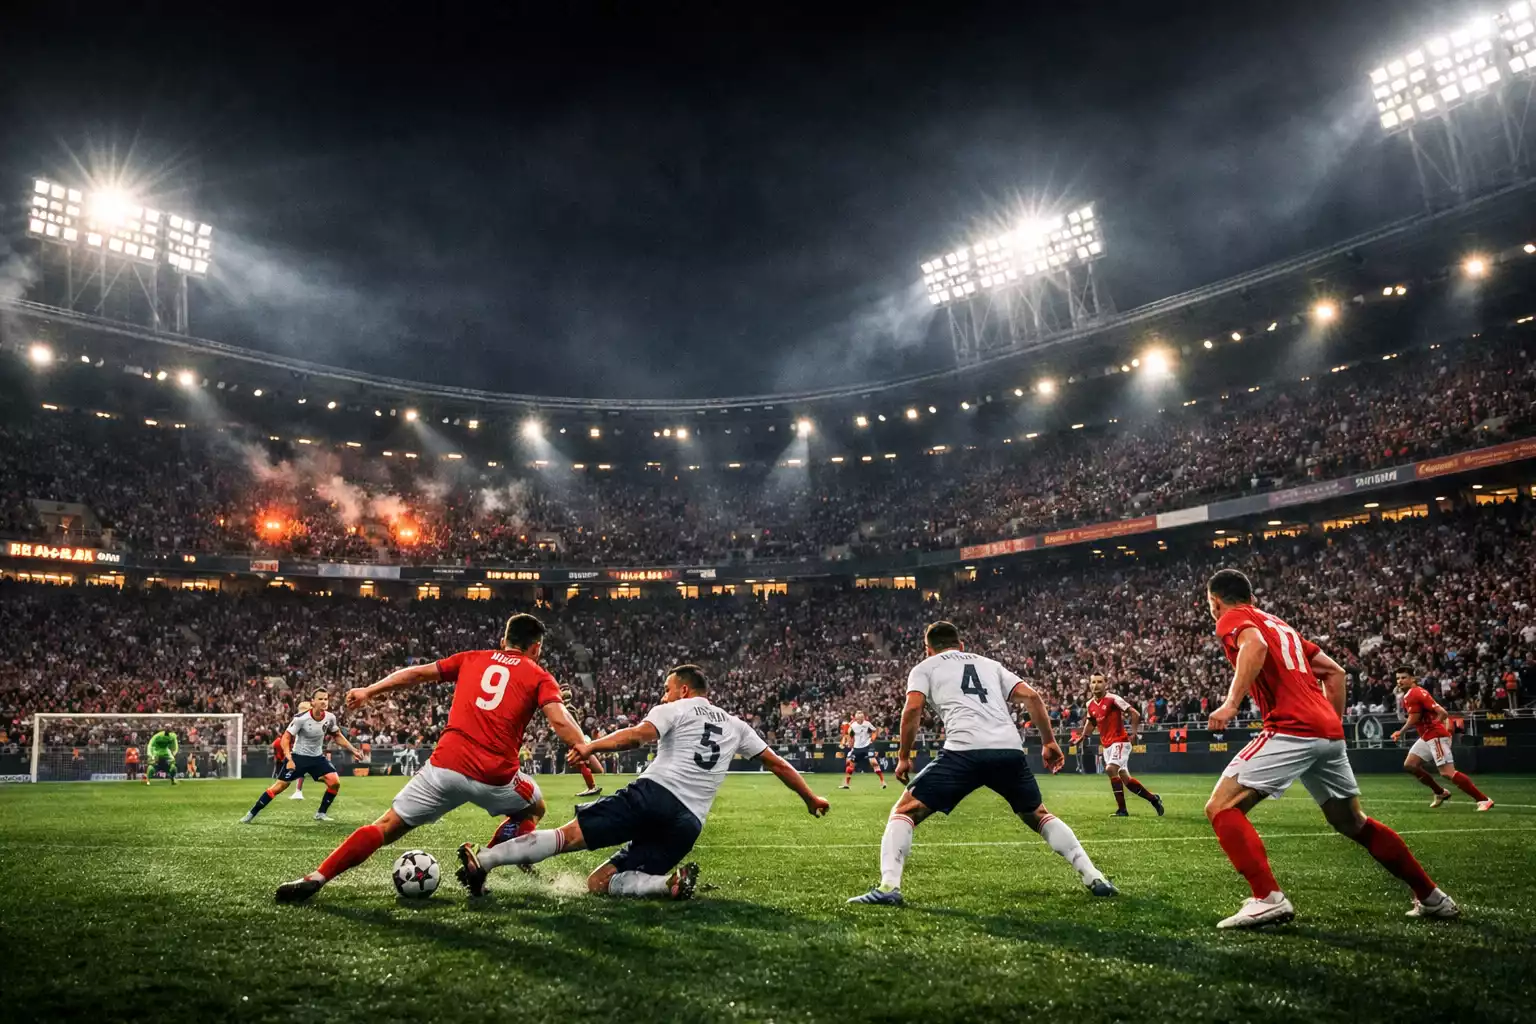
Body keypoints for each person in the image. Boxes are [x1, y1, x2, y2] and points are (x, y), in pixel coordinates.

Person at [1202, 569, 1459, 928]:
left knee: (1221, 806)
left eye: (1209, 604)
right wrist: (1330, 726)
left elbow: (1255, 646)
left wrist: (1231, 703)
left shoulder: (1232, 617)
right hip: (1326, 731)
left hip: (1290, 727)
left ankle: (1267, 898)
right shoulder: (1282, 625)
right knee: (1352, 822)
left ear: (1215, 601)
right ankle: (1432, 897)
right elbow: (1335, 672)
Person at [274, 613, 586, 903]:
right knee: (535, 808)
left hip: (444, 767)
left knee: (384, 826)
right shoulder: (540, 675)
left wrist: (371, 690)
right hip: (494, 776)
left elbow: (417, 674)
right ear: (536, 648)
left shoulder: (471, 658)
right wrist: (586, 747)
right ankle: (484, 861)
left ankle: (317, 877)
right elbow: (559, 720)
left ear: (503, 641)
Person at [455, 663, 829, 900]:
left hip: (654, 794)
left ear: (683, 689)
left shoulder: (675, 708)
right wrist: (810, 798)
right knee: (599, 883)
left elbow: (638, 735)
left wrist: (590, 746)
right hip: (688, 823)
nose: (663, 695)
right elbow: (778, 764)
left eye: (667, 689)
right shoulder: (736, 724)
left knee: (568, 837)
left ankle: (484, 860)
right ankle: (665, 885)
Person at [847, 620, 1117, 906]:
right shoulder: (990, 664)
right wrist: (1049, 742)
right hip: (1008, 750)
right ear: (961, 645)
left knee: (905, 812)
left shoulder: (925, 667)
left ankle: (889, 886)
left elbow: (913, 707)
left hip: (963, 752)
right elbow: (1032, 697)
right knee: (1037, 814)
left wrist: (903, 757)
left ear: (928, 649)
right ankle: (1094, 876)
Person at [241, 690, 363, 823]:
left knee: (334, 782)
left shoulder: (330, 718)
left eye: (326, 699)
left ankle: (320, 813)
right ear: (313, 702)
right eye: (320, 699)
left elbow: (337, 736)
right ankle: (251, 813)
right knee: (279, 787)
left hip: (317, 758)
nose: (324, 702)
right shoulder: (301, 719)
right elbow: (285, 739)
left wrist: (353, 750)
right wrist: (289, 758)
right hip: (299, 757)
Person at [1392, 667, 1493, 811]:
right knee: (1410, 765)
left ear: (1413, 679)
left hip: (1435, 736)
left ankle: (1483, 799)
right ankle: (1440, 793)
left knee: (1447, 773)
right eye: (1398, 678)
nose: (1399, 681)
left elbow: (1415, 718)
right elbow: (1442, 712)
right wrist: (1436, 723)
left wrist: (1400, 732)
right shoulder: (1419, 692)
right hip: (1428, 736)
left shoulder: (1413, 694)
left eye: (1403, 678)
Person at [1079, 675, 1163, 817]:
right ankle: (1153, 799)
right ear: (1089, 684)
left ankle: (1122, 810)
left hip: (1120, 741)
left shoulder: (1113, 699)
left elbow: (1134, 714)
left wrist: (1134, 734)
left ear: (1106, 684)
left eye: (1100, 682)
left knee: (1111, 769)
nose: (1096, 685)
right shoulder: (1090, 704)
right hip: (1107, 746)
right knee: (1127, 780)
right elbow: (1092, 722)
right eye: (1093, 682)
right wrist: (1083, 737)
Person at [838, 710, 886, 790]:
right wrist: (848, 742)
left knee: (873, 762)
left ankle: (883, 782)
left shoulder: (867, 724)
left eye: (862, 717)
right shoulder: (852, 726)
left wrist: (872, 739)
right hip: (857, 748)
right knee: (851, 766)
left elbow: (874, 731)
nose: (861, 719)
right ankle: (846, 784)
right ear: (856, 718)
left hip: (867, 746)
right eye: (859, 717)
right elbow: (849, 735)